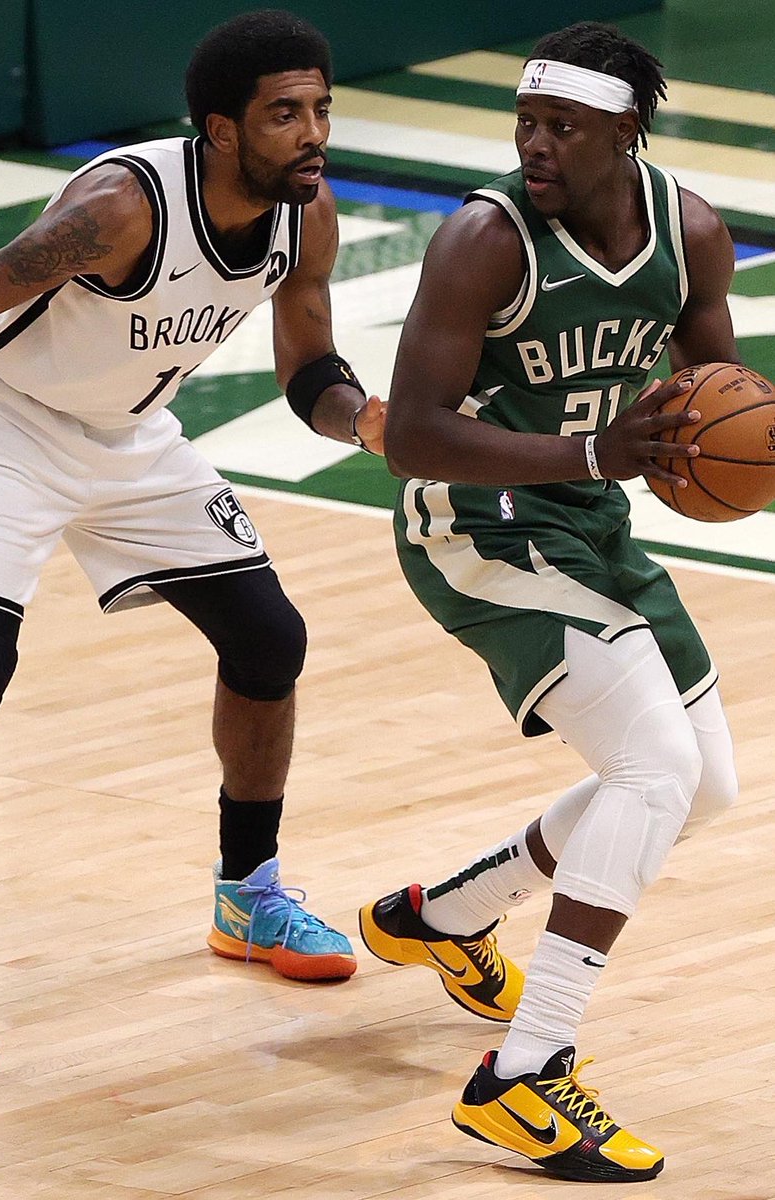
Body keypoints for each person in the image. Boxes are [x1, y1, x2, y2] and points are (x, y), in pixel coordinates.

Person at [0, 9, 385, 1073]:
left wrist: (360, 417)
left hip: (132, 439)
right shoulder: (121, 209)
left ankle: (248, 896)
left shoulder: (306, 217)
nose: (312, 133)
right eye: (284, 114)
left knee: (269, 642)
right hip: (0, 423)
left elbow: (308, 363)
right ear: (220, 130)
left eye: (319, 108)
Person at [358, 21, 740, 1184]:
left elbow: (718, 396)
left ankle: (448, 915)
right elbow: (411, 434)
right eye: (526, 120)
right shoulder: (485, 241)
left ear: (627, 133)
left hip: (588, 521)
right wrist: (594, 450)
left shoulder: (693, 234)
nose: (534, 143)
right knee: (653, 773)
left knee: (704, 786)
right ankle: (525, 1075)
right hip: (471, 523)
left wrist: (732, 457)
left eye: (562, 126)